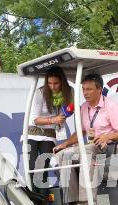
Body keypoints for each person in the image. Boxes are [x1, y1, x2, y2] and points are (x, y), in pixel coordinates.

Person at [53, 73, 118, 205]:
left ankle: (87, 202)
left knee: (86, 152)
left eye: (89, 89)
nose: (85, 93)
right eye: (83, 89)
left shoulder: (111, 106)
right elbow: (81, 132)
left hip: (112, 148)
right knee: (62, 155)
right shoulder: (83, 107)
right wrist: (65, 144)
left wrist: (108, 136)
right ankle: (70, 201)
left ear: (99, 89)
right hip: (93, 147)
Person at [27, 66, 73, 195]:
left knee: (43, 167)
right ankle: (35, 202)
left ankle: (44, 202)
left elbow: (70, 109)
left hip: (49, 135)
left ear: (62, 82)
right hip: (33, 133)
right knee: (31, 167)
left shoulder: (69, 92)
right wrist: (54, 120)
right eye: (50, 83)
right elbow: (34, 119)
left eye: (56, 83)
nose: (52, 86)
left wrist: (64, 114)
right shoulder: (40, 92)